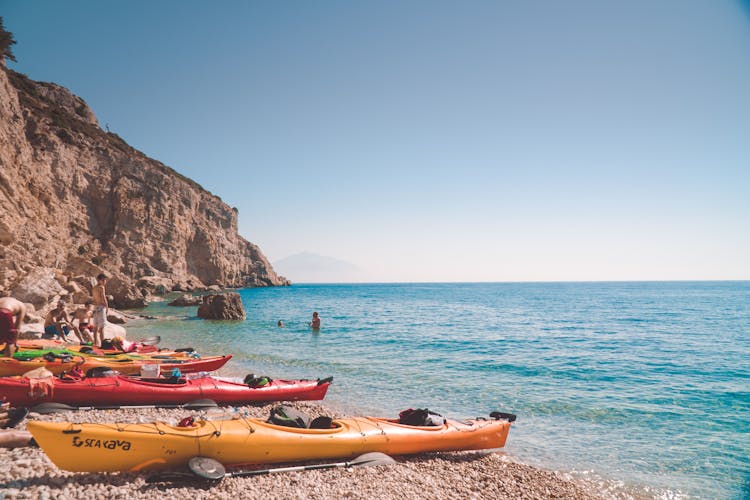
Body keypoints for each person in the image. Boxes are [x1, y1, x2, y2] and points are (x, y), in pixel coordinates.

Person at [92, 273, 108, 348]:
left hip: (95, 308)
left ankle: (95, 343)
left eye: (105, 280)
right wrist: (107, 307)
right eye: (103, 280)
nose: (105, 281)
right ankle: (103, 344)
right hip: (101, 308)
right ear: (99, 280)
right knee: (101, 328)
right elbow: (103, 298)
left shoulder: (94, 288)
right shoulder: (101, 287)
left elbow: (94, 299)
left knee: (95, 327)